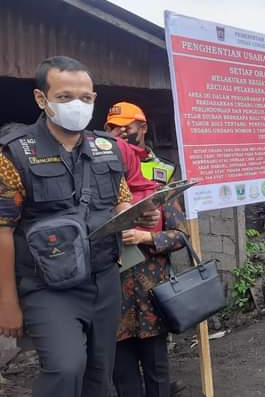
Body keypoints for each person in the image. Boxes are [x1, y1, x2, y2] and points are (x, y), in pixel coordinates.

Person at [0, 56, 159, 397]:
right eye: (65, 97)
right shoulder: (15, 154)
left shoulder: (107, 149)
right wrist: (6, 301)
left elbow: (120, 202)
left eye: (86, 98)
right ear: (42, 99)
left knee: (100, 376)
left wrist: (141, 215)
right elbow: (2, 230)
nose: (78, 105)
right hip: (47, 287)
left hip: (104, 280)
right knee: (64, 367)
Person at [105, 102, 188, 397]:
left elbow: (180, 236)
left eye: (128, 125)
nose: (123, 132)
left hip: (152, 296)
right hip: (112, 299)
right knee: (123, 378)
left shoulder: (160, 177)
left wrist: (145, 238)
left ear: (143, 127)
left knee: (157, 373)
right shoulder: (96, 182)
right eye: (114, 128)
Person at [105, 102, 175, 185]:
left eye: (126, 129)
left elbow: (172, 197)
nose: (120, 134)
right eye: (113, 130)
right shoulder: (100, 164)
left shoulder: (165, 167)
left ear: (144, 128)